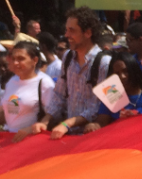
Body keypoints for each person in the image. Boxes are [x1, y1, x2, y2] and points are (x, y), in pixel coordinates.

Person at [35, 6, 112, 139]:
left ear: (88, 33)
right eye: (66, 30)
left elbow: (99, 106)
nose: (66, 35)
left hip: (93, 138)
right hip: (68, 136)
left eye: (72, 30)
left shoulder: (105, 62)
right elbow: (59, 95)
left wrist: (67, 123)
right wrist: (45, 121)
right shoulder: (67, 57)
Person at [0, 41, 55, 141]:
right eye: (13, 59)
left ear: (34, 60)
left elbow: (53, 114)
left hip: (33, 141)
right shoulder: (12, 81)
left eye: (21, 59)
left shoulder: (44, 83)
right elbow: (2, 109)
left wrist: (32, 129)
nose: (15, 63)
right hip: (10, 139)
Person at [86, 52, 142, 132]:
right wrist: (93, 126)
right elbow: (102, 122)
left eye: (126, 71)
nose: (122, 76)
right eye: (117, 73)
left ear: (134, 70)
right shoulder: (111, 93)